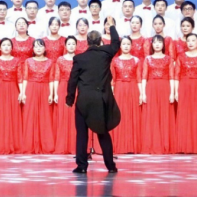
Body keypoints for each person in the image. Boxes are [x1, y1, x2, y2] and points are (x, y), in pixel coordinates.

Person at [66, 17, 121, 174]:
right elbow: (116, 43)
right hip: (100, 100)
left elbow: (73, 80)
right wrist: (112, 27)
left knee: (82, 134)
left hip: (84, 101)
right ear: (100, 42)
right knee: (102, 133)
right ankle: (110, 166)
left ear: (87, 42)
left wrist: (70, 99)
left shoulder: (79, 58)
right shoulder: (105, 54)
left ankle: (82, 166)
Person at [0, 39, 24, 154]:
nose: (6, 47)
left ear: (12, 48)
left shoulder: (17, 61)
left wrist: (22, 92)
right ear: (0, 48)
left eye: (8, 45)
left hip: (12, 89)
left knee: (11, 115)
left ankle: (13, 144)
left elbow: (20, 78)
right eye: (4, 45)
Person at [174, 33, 197, 154]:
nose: (190, 43)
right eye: (188, 40)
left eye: (193, 40)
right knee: (184, 115)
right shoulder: (181, 57)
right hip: (184, 86)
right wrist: (176, 91)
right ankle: (184, 146)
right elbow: (177, 75)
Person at [141, 35, 176, 154]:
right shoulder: (148, 59)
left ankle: (165, 144)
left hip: (165, 87)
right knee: (152, 115)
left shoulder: (168, 59)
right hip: (151, 88)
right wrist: (143, 93)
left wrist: (172, 93)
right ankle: (152, 144)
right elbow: (144, 77)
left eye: (160, 42)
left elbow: (171, 77)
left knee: (165, 115)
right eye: (155, 42)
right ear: (151, 44)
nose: (157, 44)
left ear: (163, 45)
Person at [21, 39, 56, 154]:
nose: (38, 48)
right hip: (31, 88)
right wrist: (23, 92)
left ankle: (45, 145)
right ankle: (29, 145)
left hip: (45, 89)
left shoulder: (50, 62)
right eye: (36, 46)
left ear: (45, 48)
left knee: (45, 116)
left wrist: (51, 93)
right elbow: (25, 78)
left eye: (40, 46)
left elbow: (51, 79)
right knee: (30, 115)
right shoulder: (28, 61)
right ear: (33, 49)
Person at [110, 37, 143, 154]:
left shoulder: (136, 60)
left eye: (128, 44)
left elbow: (139, 79)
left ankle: (132, 146)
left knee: (132, 116)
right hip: (119, 89)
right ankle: (120, 145)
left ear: (132, 46)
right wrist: (111, 94)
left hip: (133, 89)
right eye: (123, 44)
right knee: (120, 116)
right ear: (120, 46)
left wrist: (141, 94)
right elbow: (112, 80)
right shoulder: (115, 61)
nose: (126, 46)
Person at [53, 37, 78, 155]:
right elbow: (56, 77)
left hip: (76, 89)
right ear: (65, 46)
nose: (71, 46)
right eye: (69, 44)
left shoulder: (79, 59)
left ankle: (75, 145)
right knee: (63, 116)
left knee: (75, 117)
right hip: (63, 88)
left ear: (76, 46)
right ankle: (63, 145)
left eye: (73, 44)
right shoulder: (60, 60)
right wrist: (55, 93)